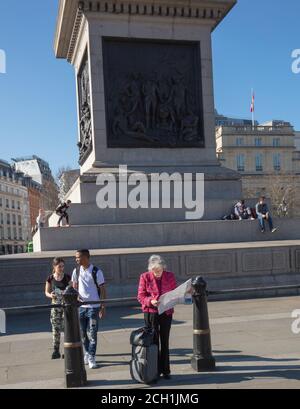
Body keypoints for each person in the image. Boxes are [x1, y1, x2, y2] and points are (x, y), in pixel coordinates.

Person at [137, 255, 177, 380]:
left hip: (166, 312)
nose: (157, 273)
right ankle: (153, 371)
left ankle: (165, 370)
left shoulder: (169, 275)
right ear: (150, 269)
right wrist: (150, 301)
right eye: (154, 271)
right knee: (153, 342)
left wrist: (184, 293)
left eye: (159, 270)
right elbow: (140, 296)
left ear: (163, 267)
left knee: (165, 341)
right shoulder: (145, 276)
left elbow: (175, 291)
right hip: (151, 312)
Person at [71, 249, 106, 369]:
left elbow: (103, 289)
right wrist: (76, 297)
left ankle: (92, 356)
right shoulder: (76, 271)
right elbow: (74, 287)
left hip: (93, 308)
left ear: (86, 257)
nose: (76, 259)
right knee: (83, 334)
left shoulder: (97, 271)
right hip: (81, 308)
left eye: (78, 257)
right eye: (75, 257)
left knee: (92, 334)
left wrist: (102, 306)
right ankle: (87, 352)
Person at [45, 257, 71, 359]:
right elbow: (46, 292)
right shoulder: (50, 278)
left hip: (65, 306)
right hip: (55, 306)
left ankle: (67, 350)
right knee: (55, 328)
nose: (61, 268)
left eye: (63, 266)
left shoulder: (67, 277)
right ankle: (56, 350)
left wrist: (67, 292)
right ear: (54, 267)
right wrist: (51, 295)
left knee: (66, 328)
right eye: (59, 266)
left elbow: (72, 290)